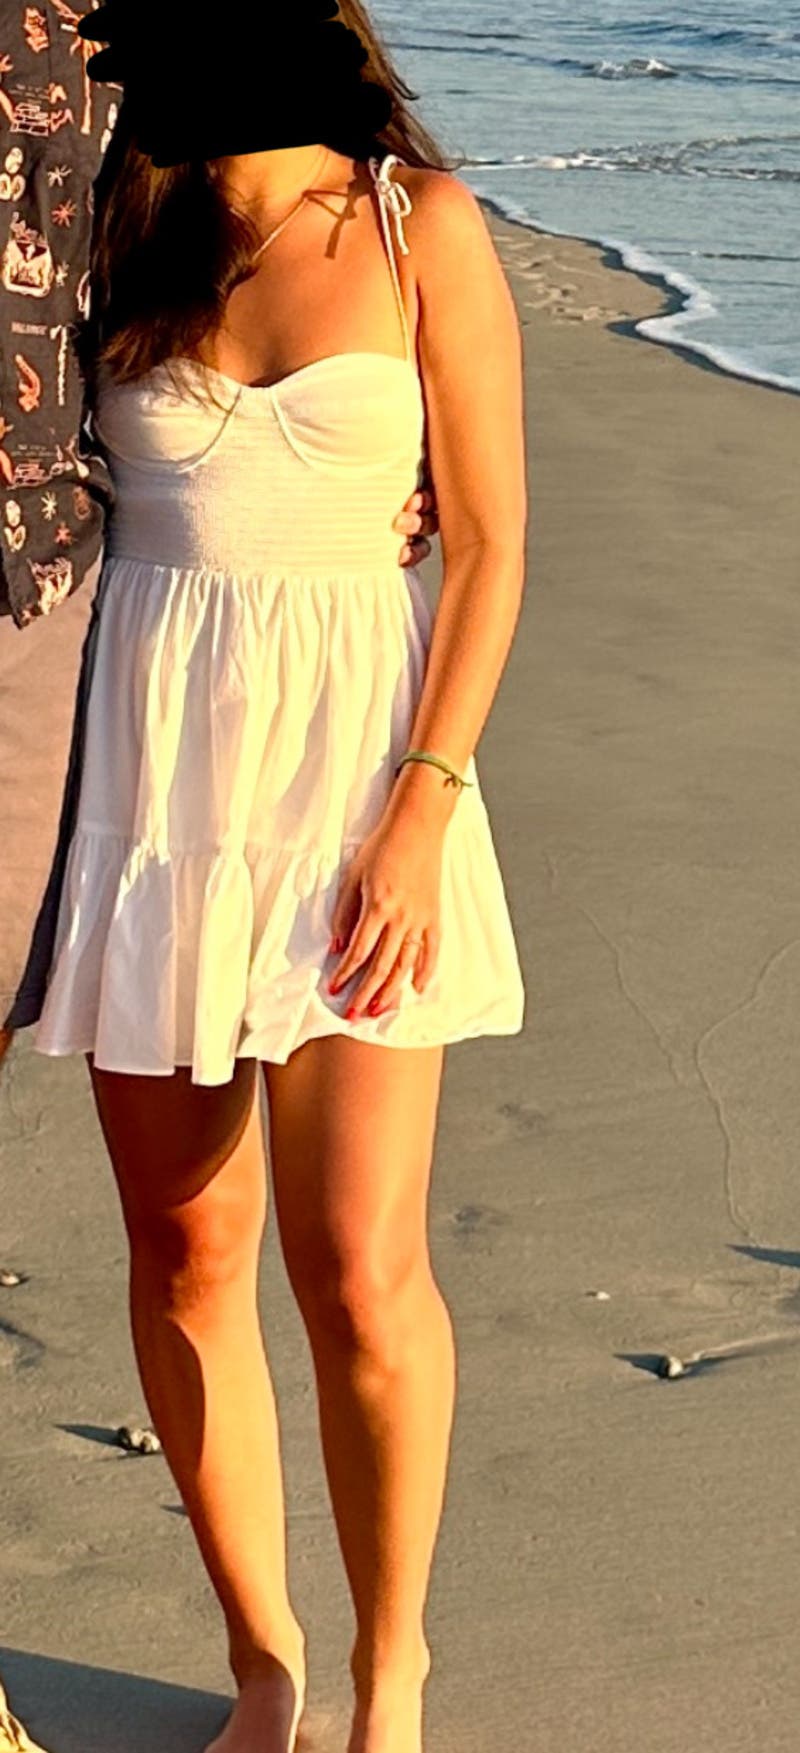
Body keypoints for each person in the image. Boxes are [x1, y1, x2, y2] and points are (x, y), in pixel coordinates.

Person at [23, 3, 527, 1751]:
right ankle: (265, 1662)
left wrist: (425, 808)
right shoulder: (106, 221)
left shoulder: (417, 222)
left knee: (360, 1268)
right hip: (156, 789)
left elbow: (492, 543)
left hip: (361, 791)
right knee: (183, 1249)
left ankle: (395, 1675)